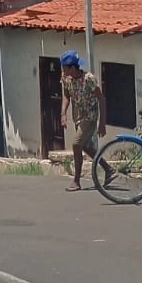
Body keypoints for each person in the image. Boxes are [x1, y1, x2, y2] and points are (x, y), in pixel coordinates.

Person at [59, 50, 107, 191]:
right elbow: (66, 96)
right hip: (77, 116)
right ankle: (108, 169)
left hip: (90, 116)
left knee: (76, 144)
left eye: (64, 67)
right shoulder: (66, 79)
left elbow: (101, 99)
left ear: (72, 68)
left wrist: (102, 123)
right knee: (83, 146)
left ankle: (76, 181)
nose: (62, 70)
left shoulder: (89, 79)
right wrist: (63, 114)